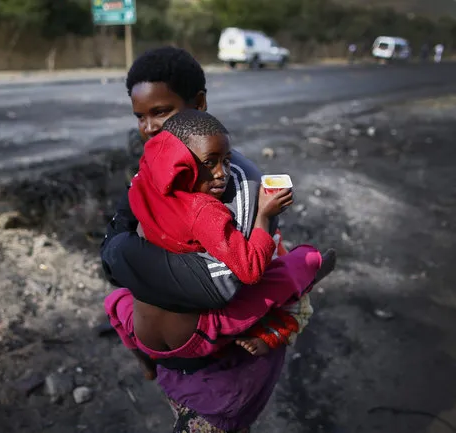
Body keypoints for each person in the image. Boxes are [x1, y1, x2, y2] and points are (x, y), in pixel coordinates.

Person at [101, 47, 336, 432]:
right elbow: (118, 234)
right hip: (168, 335)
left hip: (202, 335)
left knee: (281, 275)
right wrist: (121, 255)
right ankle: (305, 265)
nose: (149, 128)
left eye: (161, 112)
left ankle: (306, 266)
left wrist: (124, 257)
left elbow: (225, 284)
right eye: (140, 117)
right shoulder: (155, 169)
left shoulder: (227, 184)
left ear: (199, 104)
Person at [105, 109, 332, 368]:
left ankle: (146, 365)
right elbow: (249, 270)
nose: (222, 173)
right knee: (295, 265)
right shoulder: (202, 210)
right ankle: (316, 264)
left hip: (142, 335)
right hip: (194, 339)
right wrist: (265, 215)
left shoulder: (143, 183)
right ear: (181, 161)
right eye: (209, 162)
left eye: (226, 160)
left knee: (114, 303)